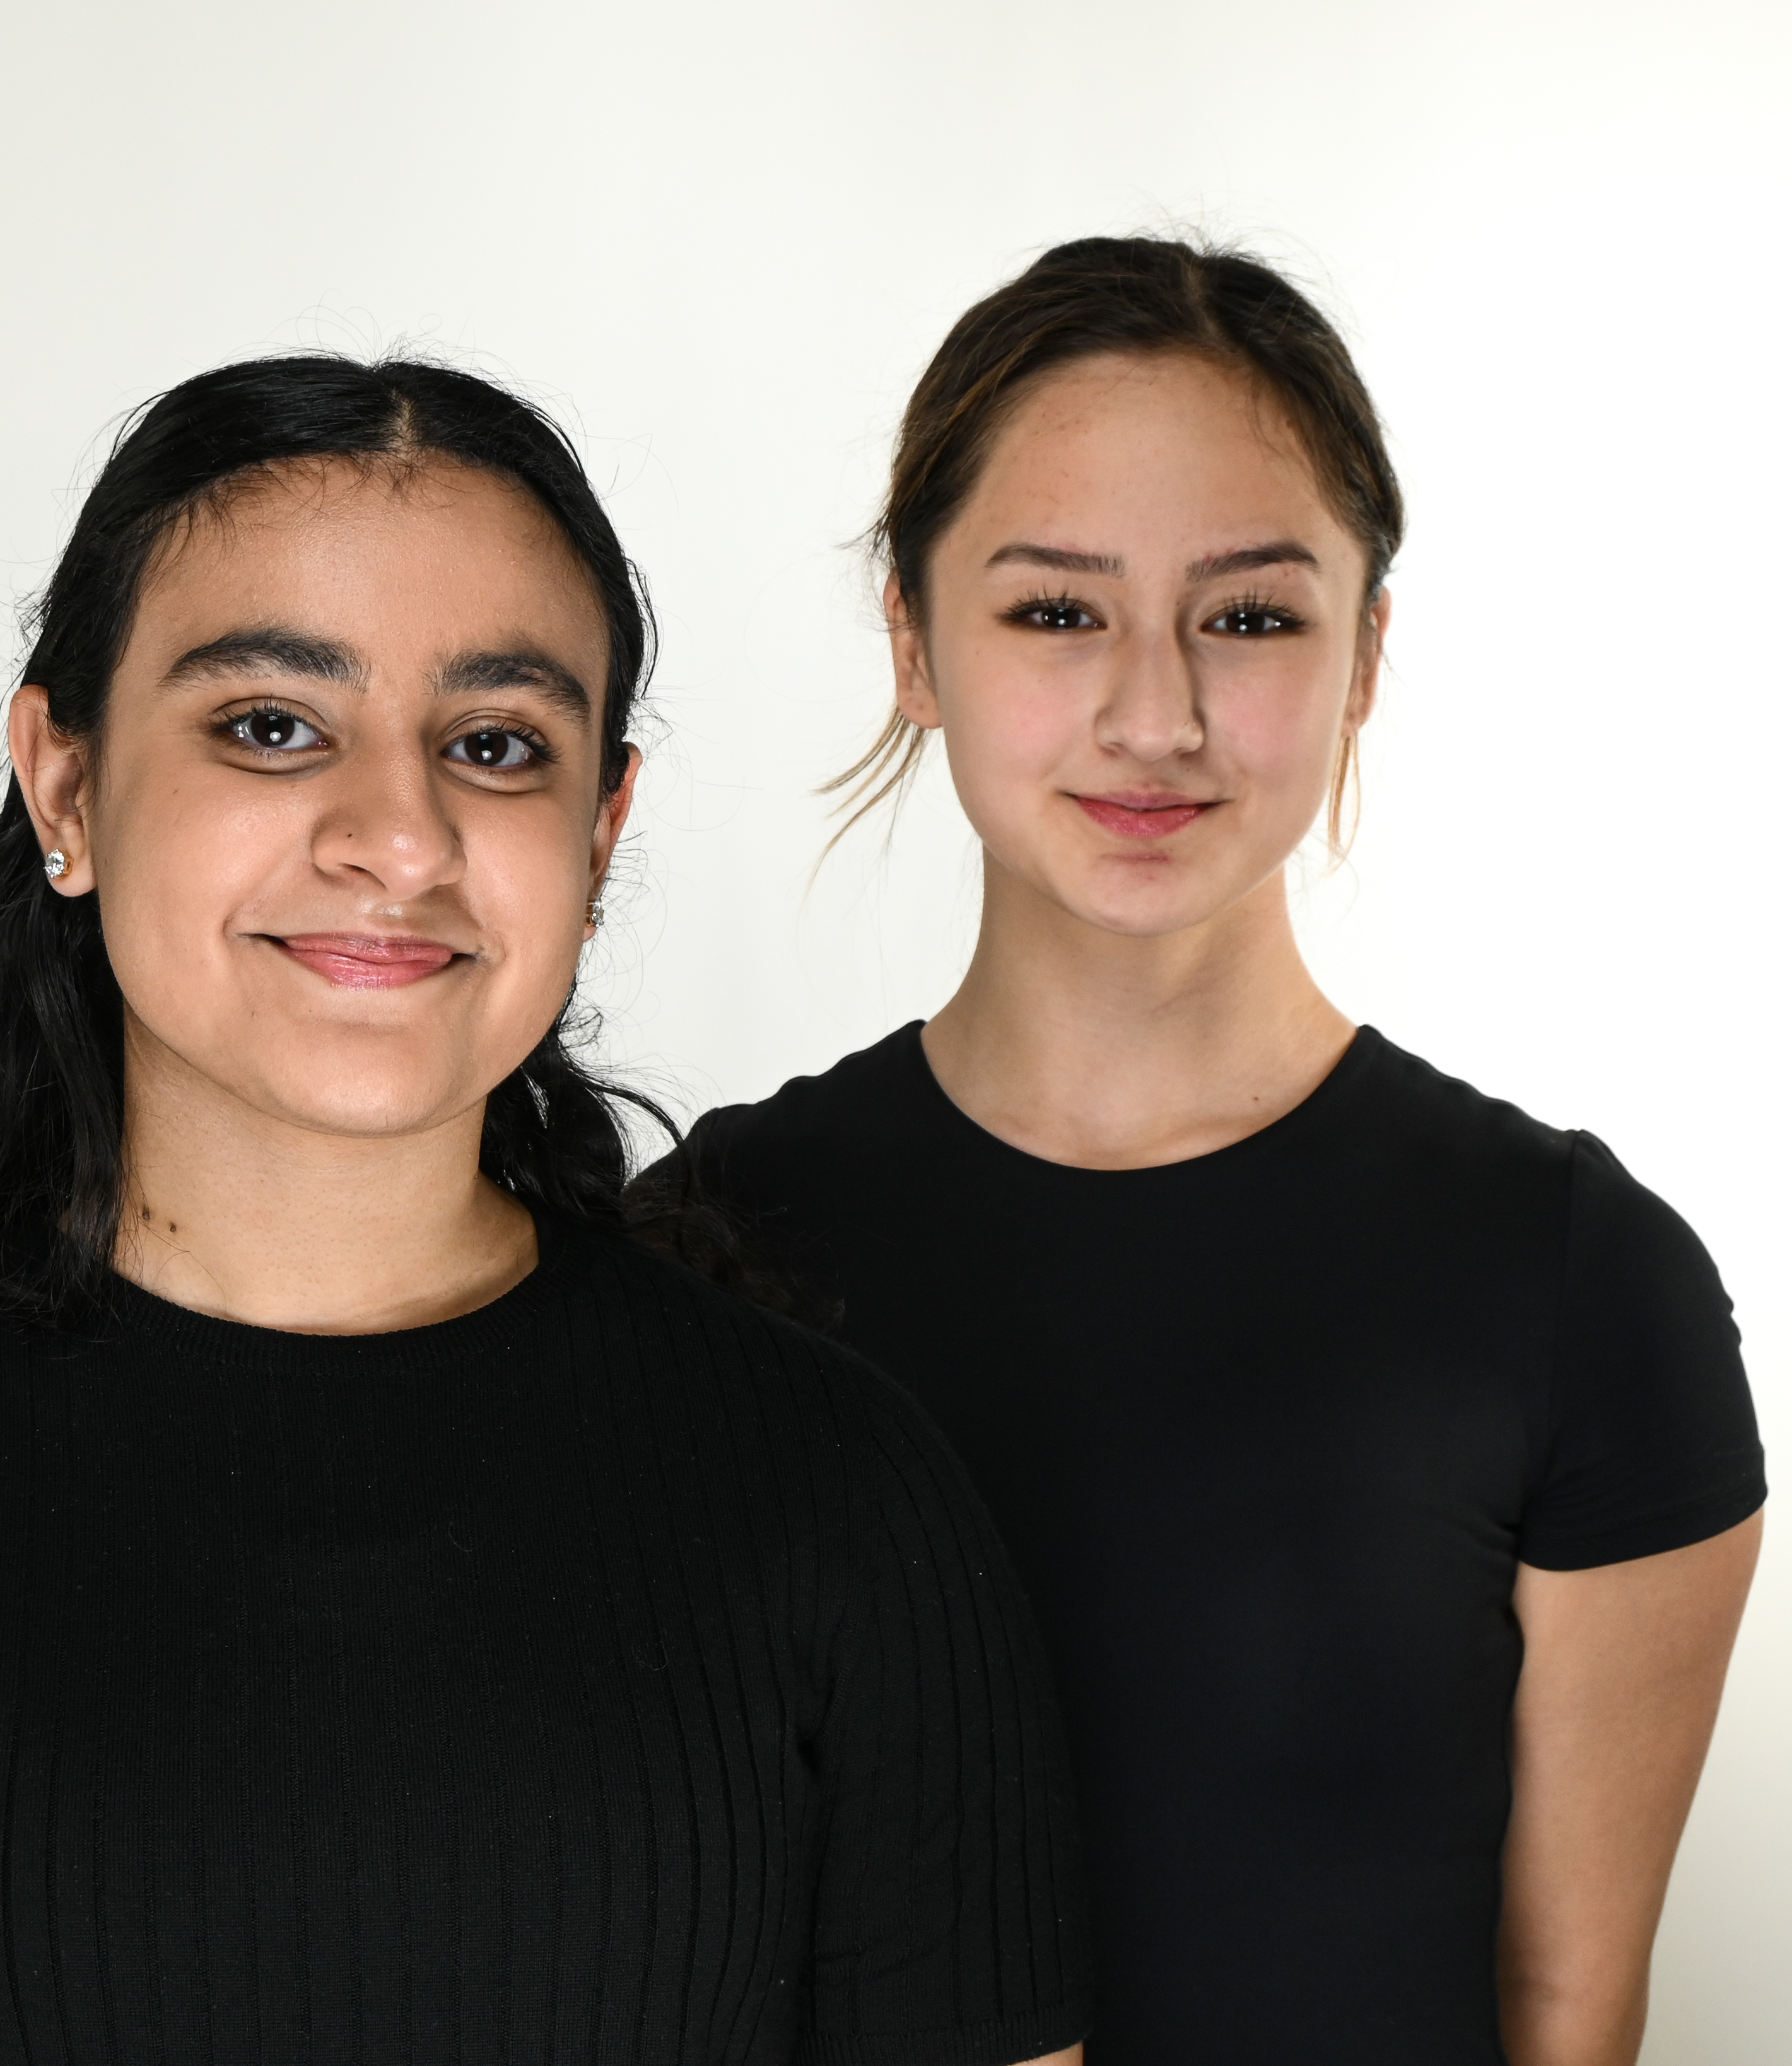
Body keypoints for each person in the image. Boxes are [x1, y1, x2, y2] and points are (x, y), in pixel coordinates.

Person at [0, 355, 1093, 2066]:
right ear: (60, 783)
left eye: (493, 745)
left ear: (600, 830)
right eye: (271, 725)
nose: (396, 837)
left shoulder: (850, 1513)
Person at [652, 238, 1765, 2065]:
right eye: (1054, 611)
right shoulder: (708, 1241)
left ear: (1365, 652)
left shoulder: (1576, 1278)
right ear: (910, 638)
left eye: (1247, 615)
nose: (1152, 714)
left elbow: (1565, 2017)